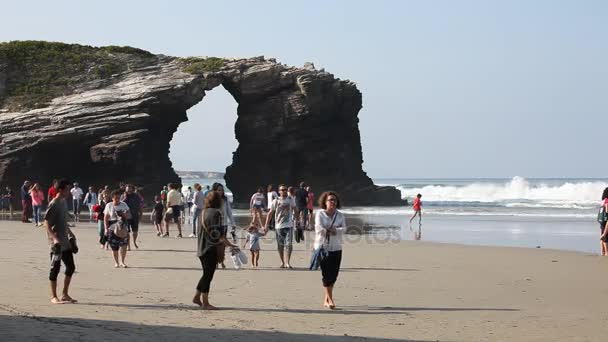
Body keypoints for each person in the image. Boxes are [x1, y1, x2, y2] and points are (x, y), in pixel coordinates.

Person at [193, 191, 238, 309]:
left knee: (206, 274)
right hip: (210, 249)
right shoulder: (217, 213)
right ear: (219, 201)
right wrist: (230, 245)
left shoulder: (202, 213)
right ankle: (205, 303)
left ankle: (197, 297)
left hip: (201, 248)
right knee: (208, 276)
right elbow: (218, 234)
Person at [44, 179, 77, 304]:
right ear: (60, 190)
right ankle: (53, 296)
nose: (69, 192)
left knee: (71, 267)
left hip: (65, 242)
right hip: (56, 243)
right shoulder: (54, 203)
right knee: (55, 269)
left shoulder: (63, 202)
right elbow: (46, 223)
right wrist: (55, 238)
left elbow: (63, 221)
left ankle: (65, 294)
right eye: (67, 189)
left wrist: (71, 233)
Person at [314, 191, 346, 310]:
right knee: (326, 274)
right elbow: (318, 228)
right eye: (330, 200)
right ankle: (331, 300)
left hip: (337, 247)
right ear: (325, 202)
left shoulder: (340, 215)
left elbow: (344, 228)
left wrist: (336, 230)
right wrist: (330, 230)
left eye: (334, 200)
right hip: (323, 247)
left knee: (334, 275)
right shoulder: (320, 214)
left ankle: (326, 299)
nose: (332, 202)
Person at [264, 184, 296, 269]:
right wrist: (266, 225)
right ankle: (282, 262)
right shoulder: (276, 201)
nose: (284, 191)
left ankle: (288, 262)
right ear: (279, 191)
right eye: (282, 190)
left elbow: (295, 209)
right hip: (279, 226)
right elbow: (270, 213)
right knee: (280, 245)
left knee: (289, 244)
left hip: (289, 225)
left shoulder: (290, 199)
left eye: (285, 189)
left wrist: (298, 220)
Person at [104, 190, 131, 268]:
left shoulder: (124, 204)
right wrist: (106, 228)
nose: (117, 199)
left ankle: (122, 262)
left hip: (123, 227)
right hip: (112, 227)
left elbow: (129, 215)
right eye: (115, 198)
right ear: (112, 198)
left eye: (119, 198)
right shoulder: (109, 205)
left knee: (124, 245)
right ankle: (116, 262)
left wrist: (123, 215)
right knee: (114, 247)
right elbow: (106, 217)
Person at [212, 183, 236, 268]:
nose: (221, 191)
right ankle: (215, 261)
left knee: (222, 244)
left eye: (222, 190)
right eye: (219, 190)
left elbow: (229, 212)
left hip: (224, 225)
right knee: (215, 244)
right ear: (214, 190)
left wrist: (233, 223)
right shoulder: (212, 200)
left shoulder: (225, 199)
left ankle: (221, 261)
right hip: (214, 225)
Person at [123, 185, 143, 249]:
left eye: (130, 189)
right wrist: (125, 198)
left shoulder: (136, 196)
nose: (128, 190)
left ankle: (134, 242)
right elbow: (120, 204)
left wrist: (141, 214)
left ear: (132, 189)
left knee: (135, 231)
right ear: (125, 190)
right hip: (126, 216)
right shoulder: (123, 196)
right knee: (127, 231)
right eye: (127, 189)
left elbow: (139, 205)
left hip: (135, 215)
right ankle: (128, 245)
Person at [599, 188, 608, 255]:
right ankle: (606, 253)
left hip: (601, 219)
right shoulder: (607, 200)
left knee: (602, 235)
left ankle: (602, 252)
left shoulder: (603, 201)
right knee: (605, 236)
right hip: (605, 219)